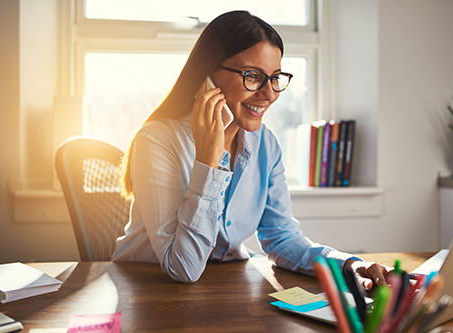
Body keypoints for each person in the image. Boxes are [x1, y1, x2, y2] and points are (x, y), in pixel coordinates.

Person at [112, 10, 391, 287]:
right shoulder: (158, 140)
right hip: (147, 289)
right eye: (253, 76)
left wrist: (350, 264)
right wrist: (209, 162)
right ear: (207, 75)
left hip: (223, 288)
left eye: (275, 77)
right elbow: (183, 266)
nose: (269, 94)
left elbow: (281, 237)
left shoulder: (265, 144)